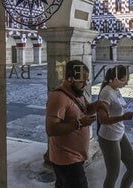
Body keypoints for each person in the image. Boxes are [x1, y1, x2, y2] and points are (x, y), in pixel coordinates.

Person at [46, 60, 109, 188]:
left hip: (76, 157)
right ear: (70, 79)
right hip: (66, 159)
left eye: (87, 80)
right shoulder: (59, 97)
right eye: (82, 81)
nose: (85, 84)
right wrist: (79, 123)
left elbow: (85, 109)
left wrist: (98, 105)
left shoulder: (77, 93)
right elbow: (51, 129)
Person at [97, 65, 133, 188]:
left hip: (120, 133)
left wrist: (129, 111)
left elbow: (117, 108)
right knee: (113, 174)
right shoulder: (106, 93)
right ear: (115, 79)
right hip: (109, 138)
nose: (126, 83)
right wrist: (123, 117)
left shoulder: (115, 90)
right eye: (124, 80)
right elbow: (102, 119)